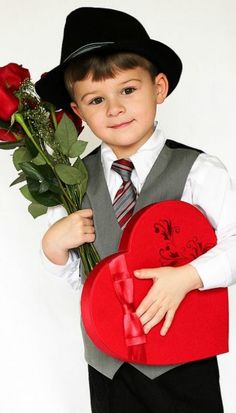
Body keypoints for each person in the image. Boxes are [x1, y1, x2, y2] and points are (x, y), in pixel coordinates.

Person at [35, 7, 236, 413]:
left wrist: (188, 277)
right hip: (110, 370)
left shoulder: (199, 170)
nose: (114, 109)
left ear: (158, 88)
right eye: (96, 99)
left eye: (128, 90)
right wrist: (53, 249)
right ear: (78, 112)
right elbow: (85, 279)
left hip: (182, 364)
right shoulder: (74, 184)